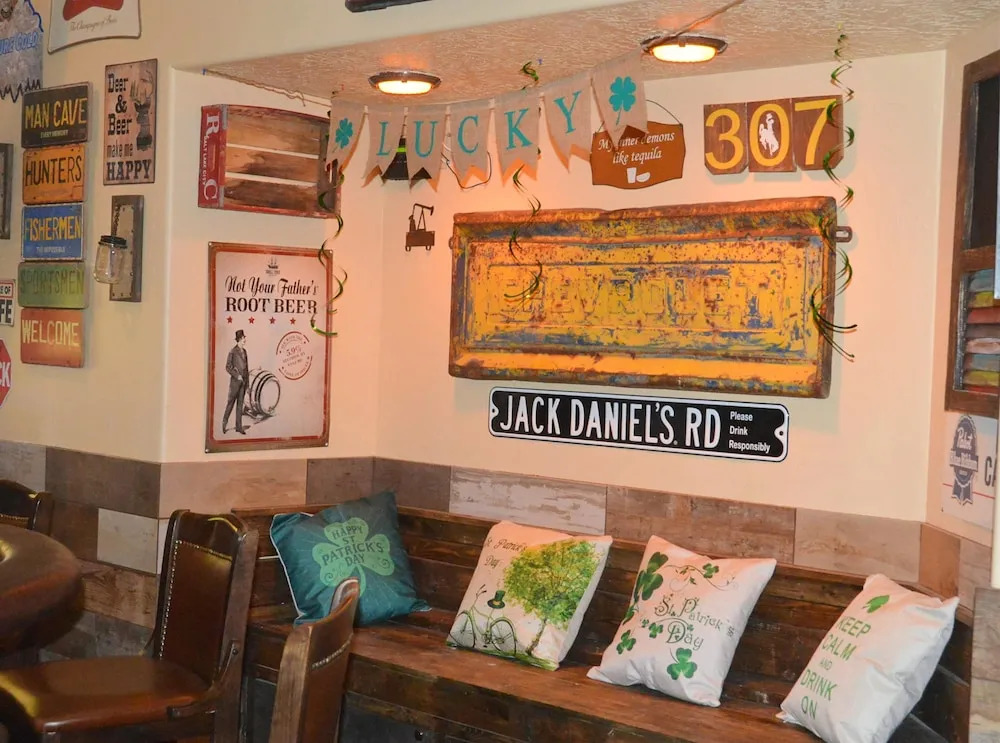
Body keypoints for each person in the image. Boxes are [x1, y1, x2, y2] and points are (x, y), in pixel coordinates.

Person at [222, 329, 249, 434]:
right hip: (235, 384)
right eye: (243, 338)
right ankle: (224, 424)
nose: (245, 340)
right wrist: (237, 376)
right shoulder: (232, 351)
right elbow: (228, 367)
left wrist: (247, 384)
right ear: (239, 340)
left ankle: (239, 427)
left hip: (243, 383)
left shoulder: (245, 352)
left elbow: (246, 368)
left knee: (240, 406)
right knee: (230, 404)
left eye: (244, 338)